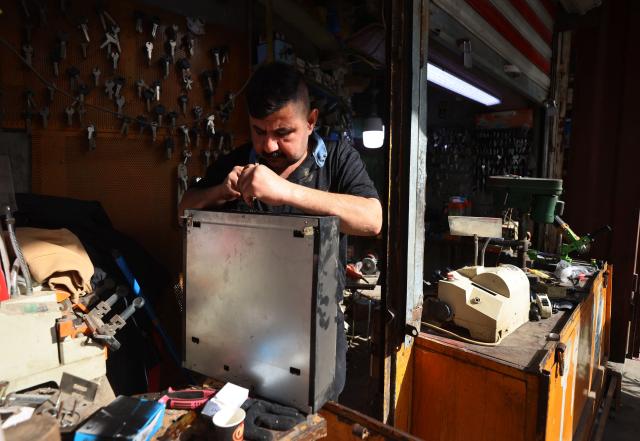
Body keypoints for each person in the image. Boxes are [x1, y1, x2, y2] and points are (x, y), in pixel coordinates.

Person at [179, 61, 382, 398]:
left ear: (311, 121)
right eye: (260, 131)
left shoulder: (337, 159)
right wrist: (218, 191)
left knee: (316, 409)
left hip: (315, 327)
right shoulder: (236, 162)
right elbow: (182, 209)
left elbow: (372, 218)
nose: (269, 146)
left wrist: (284, 192)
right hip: (237, 326)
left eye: (283, 133)